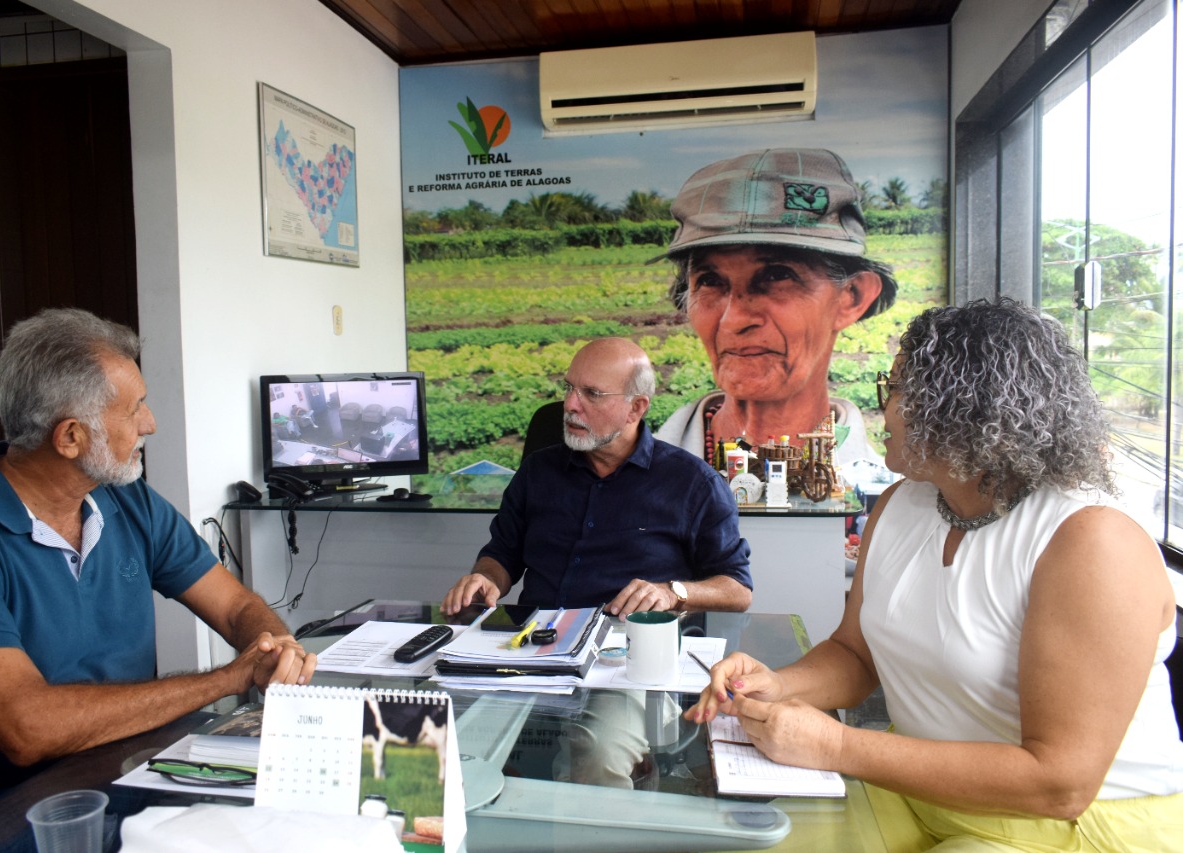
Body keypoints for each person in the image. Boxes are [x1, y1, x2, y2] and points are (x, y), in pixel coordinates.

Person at [686, 299, 1183, 851]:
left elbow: (1059, 783)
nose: (882, 411)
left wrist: (837, 746)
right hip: (916, 791)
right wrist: (779, 685)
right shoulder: (902, 504)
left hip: (1072, 825)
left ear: (961, 407)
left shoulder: (1091, 541)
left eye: (893, 390)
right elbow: (856, 654)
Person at [0, 308, 318, 851]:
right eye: (136, 407)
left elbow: (236, 607)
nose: (151, 423)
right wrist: (229, 678)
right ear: (71, 437)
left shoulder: (126, 500)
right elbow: (28, 728)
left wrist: (274, 647)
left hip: (125, 769)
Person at [441, 336, 753, 618]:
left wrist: (672, 593)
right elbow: (502, 554)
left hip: (627, 652)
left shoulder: (694, 484)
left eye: (592, 393)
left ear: (636, 408)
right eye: (569, 388)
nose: (570, 405)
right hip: (533, 643)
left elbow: (737, 590)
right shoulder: (537, 471)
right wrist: (486, 577)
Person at [654, 148, 898, 470]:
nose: (734, 320)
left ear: (851, 297)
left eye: (777, 275)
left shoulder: (887, 502)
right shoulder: (633, 483)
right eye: (711, 281)